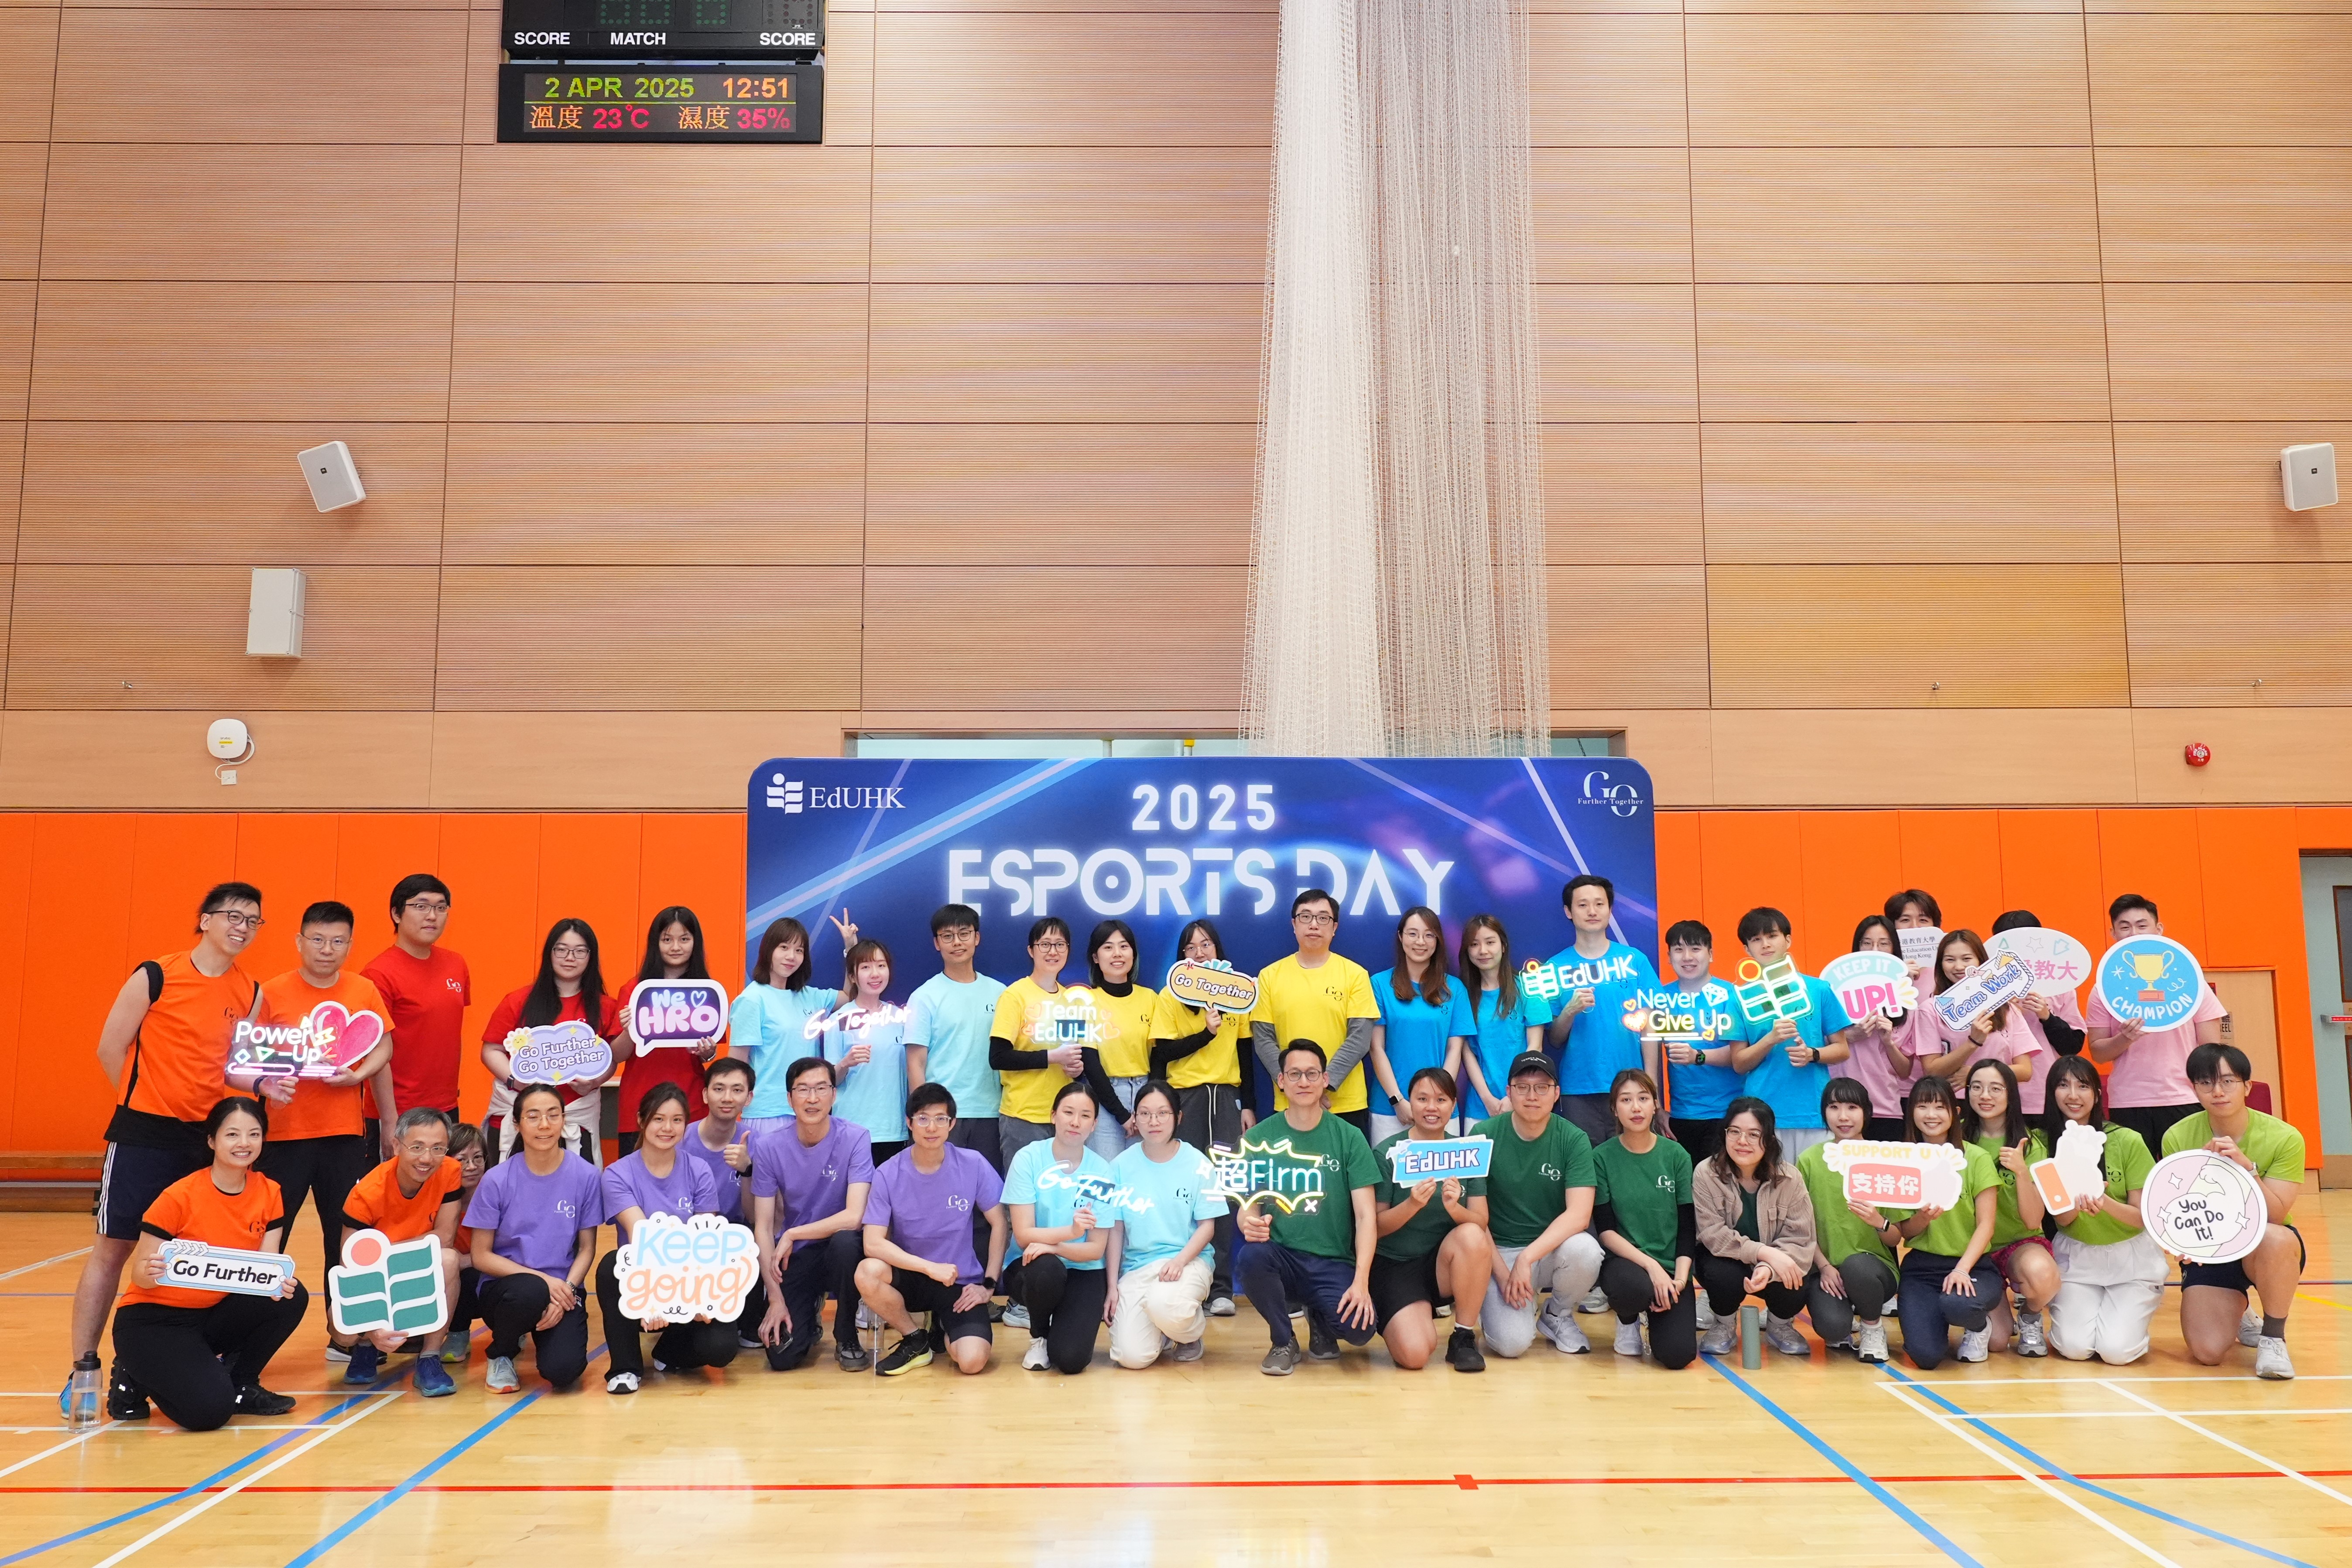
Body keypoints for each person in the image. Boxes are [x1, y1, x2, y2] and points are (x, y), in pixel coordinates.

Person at [66, 882, 265, 1423]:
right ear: (205, 920)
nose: (243, 927)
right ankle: (84, 1370)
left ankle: (149, 1367)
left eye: (253, 920)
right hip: (143, 1135)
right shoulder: (156, 975)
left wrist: (265, 1085)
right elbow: (111, 1047)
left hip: (205, 1143)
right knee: (114, 1249)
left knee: (194, 1258)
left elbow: (236, 1070)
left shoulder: (250, 993)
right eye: (233, 916)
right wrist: (147, 1103)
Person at [110, 1096, 305, 1430]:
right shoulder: (178, 1197)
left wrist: (278, 1283)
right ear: (212, 1141)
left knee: (290, 1296)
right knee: (208, 1414)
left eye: (254, 1134)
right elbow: (139, 1275)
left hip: (211, 1316)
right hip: (154, 1320)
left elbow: (267, 1266)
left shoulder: (270, 1192)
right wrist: (152, 1272)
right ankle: (135, 1372)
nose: (244, 1144)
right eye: (232, 1135)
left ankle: (241, 1383)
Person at [238, 901, 395, 1309]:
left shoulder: (363, 990)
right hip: (282, 1136)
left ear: (350, 945)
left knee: (344, 1237)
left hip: (344, 1136)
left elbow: (384, 1045)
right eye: (318, 940)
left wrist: (359, 1075)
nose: (328, 949)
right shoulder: (271, 991)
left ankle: (344, 1331)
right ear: (299, 941)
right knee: (269, 1232)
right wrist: (272, 1076)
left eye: (338, 941)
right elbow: (246, 1052)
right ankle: (249, 1324)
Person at [1232, 1041, 1382, 1374]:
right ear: (1281, 1081)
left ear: (1325, 1079)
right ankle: (1283, 1340)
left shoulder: (1349, 1137)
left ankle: (1320, 1319)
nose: (1303, 1082)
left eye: (1312, 1074)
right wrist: (1248, 1223)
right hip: (1282, 1256)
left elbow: (1366, 1217)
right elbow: (1247, 1207)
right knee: (1251, 1257)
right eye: (1295, 1074)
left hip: (1332, 1260)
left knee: (1359, 1331)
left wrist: (1361, 1282)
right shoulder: (1257, 1138)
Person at [2160, 1043, 2304, 1380]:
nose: (2217, 1091)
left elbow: (2276, 1215)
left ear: (2247, 1086)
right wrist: (2180, 1242)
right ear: (2194, 1089)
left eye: (2227, 1081)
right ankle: (2240, 1309)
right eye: (2206, 1083)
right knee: (2207, 1352)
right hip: (2212, 1248)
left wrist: (2247, 1169)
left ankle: (2273, 1337)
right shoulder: (2176, 1137)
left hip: (2262, 1244)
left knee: (2276, 1238)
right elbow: (2176, 1208)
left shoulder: (2285, 1138)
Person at [595, 1083, 739, 1393]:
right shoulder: (617, 1174)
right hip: (641, 1276)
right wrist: (653, 1296)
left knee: (721, 1350)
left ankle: (670, 1352)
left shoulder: (698, 1169)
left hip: (689, 1275)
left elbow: (706, 1242)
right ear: (641, 1120)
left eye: (677, 1120)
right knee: (610, 1266)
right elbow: (641, 1236)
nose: (668, 1128)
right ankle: (625, 1368)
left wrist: (699, 1297)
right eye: (659, 1119)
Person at [855, 1084, 1007, 1376]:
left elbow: (999, 1222)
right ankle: (915, 1339)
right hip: (911, 1277)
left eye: (940, 1119)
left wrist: (989, 1284)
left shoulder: (973, 1164)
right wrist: (929, 1268)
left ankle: (942, 1323)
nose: (932, 1127)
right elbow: (872, 1243)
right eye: (923, 1119)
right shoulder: (887, 1172)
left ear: (952, 1124)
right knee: (867, 1271)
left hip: (958, 1281)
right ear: (909, 1123)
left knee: (972, 1362)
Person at [465, 1083, 602, 1393]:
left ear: (564, 1120)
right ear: (517, 1124)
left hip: (564, 1289)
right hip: (509, 1290)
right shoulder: (496, 1180)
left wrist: (566, 1290)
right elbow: (481, 1256)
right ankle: (501, 1352)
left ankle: (543, 1329)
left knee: (563, 1372)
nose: (544, 1125)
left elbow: (587, 1248)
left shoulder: (586, 1176)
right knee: (529, 1291)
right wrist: (545, 1282)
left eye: (553, 1115)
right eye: (533, 1116)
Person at [1471, 1051, 1605, 1357]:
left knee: (1586, 1250)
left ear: (1556, 1094)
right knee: (1511, 1345)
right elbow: (1476, 1220)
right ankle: (1500, 1305)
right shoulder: (1483, 1135)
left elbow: (1580, 1215)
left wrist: (1527, 1258)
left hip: (1548, 1250)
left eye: (1542, 1087)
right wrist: (1504, 1275)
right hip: (1500, 1254)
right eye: (1523, 1087)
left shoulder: (1573, 1138)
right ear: (1509, 1092)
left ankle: (1557, 1313)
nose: (1532, 1096)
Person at [1149, 918, 1250, 1318]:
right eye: (1190, 948)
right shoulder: (1169, 997)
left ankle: (1221, 1288)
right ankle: (1183, 1281)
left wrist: (1248, 1105)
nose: (1199, 953)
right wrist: (1206, 1033)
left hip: (1225, 1099)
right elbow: (1160, 1055)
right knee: (1183, 1191)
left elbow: (1244, 1054)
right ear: (1182, 957)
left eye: (1206, 945)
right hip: (1184, 1100)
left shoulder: (1236, 995)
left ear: (1217, 950)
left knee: (1223, 1193)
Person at [750, 1057, 874, 1372]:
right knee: (782, 1357)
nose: (812, 1098)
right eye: (803, 1090)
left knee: (846, 1243)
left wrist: (793, 1233)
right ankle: (809, 1314)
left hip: (840, 1249)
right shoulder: (768, 1147)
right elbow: (763, 1227)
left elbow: (855, 1216)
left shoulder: (856, 1137)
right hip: (799, 1255)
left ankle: (846, 1335)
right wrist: (775, 1299)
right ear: (789, 1098)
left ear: (834, 1094)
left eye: (821, 1088)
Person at [2037, 1056, 2163, 1366]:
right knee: (2074, 1348)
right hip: (2076, 1258)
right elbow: (2063, 1219)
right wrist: (2074, 1199)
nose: (2073, 1095)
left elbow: (2144, 1217)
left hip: (2132, 1260)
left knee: (2116, 1351)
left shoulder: (2127, 1140)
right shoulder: (2042, 1144)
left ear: (2097, 1094)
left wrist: (2104, 1202)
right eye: (2063, 1085)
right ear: (2051, 1093)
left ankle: (2128, 1323)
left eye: (2083, 1086)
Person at [333, 1107, 465, 1396]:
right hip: (373, 1278)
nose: (427, 1158)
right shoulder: (367, 1193)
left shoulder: (450, 1172)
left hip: (413, 1266)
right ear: (396, 1146)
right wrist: (372, 1329)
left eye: (438, 1148)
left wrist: (385, 1252)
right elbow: (351, 1263)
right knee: (341, 1330)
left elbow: (444, 1237)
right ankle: (366, 1346)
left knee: (449, 1260)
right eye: (417, 1147)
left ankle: (429, 1357)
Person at [1370, 1067, 1492, 1372]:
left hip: (1443, 1265)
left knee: (1472, 1235)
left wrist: (1454, 1208)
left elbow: (1480, 1221)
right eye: (1422, 1099)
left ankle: (1463, 1336)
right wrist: (1411, 1204)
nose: (1431, 1108)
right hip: (1396, 1264)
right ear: (1410, 1103)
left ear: (1453, 1105)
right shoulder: (1388, 1153)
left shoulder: (1466, 1153)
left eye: (1441, 1100)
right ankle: (1403, 1313)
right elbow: (1375, 1227)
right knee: (1414, 1356)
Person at [2089, 894, 2228, 1150]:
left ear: (2159, 929)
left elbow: (2211, 1048)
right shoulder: (2104, 989)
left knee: (2187, 1170)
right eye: (2124, 927)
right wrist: (2124, 1038)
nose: (2134, 933)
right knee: (2136, 1174)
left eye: (2142, 926)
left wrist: (2208, 1092)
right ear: (2113, 933)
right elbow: (2097, 1053)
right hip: (2129, 1100)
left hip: (2184, 1097)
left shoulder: (2191, 982)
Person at [479, 919, 623, 1164]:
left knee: (577, 1185)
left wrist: (594, 1082)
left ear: (591, 957)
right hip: (520, 1112)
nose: (570, 958)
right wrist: (516, 1081)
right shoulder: (518, 1000)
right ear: (550, 953)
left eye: (580, 951)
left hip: (577, 1116)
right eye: (562, 950)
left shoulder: (606, 1007)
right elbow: (491, 1050)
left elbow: (610, 1058)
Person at [1106, 1081, 1224, 1369]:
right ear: (1135, 1118)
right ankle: (1163, 1330)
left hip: (1187, 1262)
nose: (1153, 1121)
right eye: (1145, 1114)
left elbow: (1207, 1227)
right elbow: (1115, 1230)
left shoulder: (1199, 1164)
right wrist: (1111, 1286)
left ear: (1178, 1117)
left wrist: (1179, 1262)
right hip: (1138, 1267)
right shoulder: (1119, 1166)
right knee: (1131, 1358)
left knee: (1165, 1305)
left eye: (1162, 1113)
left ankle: (1189, 1334)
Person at [1541, 874, 1662, 1149]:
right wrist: (1570, 1011)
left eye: (1599, 904)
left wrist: (1651, 1084)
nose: (1592, 911)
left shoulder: (1635, 960)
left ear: (1610, 909)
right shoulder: (1554, 968)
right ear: (1569, 912)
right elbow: (1555, 1040)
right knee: (1585, 1166)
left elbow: (1650, 1026)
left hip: (1631, 1088)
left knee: (1632, 1163)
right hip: (1579, 1090)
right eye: (1583, 905)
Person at [1888, 1076, 2000, 1369]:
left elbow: (1986, 1225)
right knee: (1925, 1357)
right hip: (1922, 1269)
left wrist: (1962, 1269)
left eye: (1940, 1107)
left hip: (1973, 1266)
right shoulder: (1903, 1162)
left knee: (1958, 1304)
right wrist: (1923, 1218)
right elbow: (1905, 1232)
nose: (1931, 1115)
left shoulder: (1977, 1158)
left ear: (1955, 1112)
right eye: (1922, 1106)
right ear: (1911, 1112)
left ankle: (1977, 1326)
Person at [1003, 1081, 1114, 1373]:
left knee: (1071, 1360)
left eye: (1085, 1116)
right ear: (1053, 1115)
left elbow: (1096, 1249)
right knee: (1047, 1268)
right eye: (1068, 1112)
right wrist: (1071, 1233)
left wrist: (1056, 1246)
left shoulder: (1101, 1171)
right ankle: (1039, 1336)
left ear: (1094, 1125)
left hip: (1083, 1268)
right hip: (1032, 1265)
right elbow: (1024, 1235)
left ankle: (1061, 1326)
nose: (1075, 1122)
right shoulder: (1028, 1159)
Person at [1250, 890, 1380, 1137]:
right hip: (1290, 1104)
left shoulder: (1355, 975)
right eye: (1306, 917)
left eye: (1323, 918)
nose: (1314, 925)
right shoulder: (1269, 976)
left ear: (1334, 928)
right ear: (1294, 925)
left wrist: (1322, 1086)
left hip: (1345, 1104)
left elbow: (1360, 1039)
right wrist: (1296, 1086)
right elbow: (1264, 1040)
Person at [1692, 1096, 1813, 1361]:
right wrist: (1764, 1253)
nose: (1742, 1141)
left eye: (1753, 1134)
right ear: (1725, 1134)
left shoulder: (1790, 1178)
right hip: (1728, 1258)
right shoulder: (1706, 1173)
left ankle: (1780, 1325)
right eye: (1734, 1132)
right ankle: (1724, 1323)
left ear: (1769, 1139)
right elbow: (1712, 1234)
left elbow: (1801, 1238)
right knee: (1721, 1275)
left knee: (1795, 1273)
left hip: (1774, 1259)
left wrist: (1769, 1266)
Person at [1726, 908, 1852, 1158]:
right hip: (1762, 1113)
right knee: (1770, 1182)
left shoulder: (1819, 989)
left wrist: (1812, 1054)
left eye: (1772, 936)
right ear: (1747, 950)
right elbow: (1739, 1063)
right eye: (1756, 939)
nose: (1765, 944)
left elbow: (1842, 1049)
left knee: (1813, 1181)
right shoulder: (1739, 997)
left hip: (1814, 1111)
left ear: (1788, 940)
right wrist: (1770, 1039)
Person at [1592, 1070, 1698, 1367]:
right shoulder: (1601, 1157)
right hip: (1627, 1264)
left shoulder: (1676, 1155)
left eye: (1643, 1098)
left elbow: (1687, 1227)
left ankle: (1656, 1319)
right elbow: (1606, 1231)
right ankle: (1628, 1320)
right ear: (1615, 1109)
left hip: (1672, 1269)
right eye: (1626, 1100)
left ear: (1655, 1105)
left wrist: (1679, 1281)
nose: (1636, 1108)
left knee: (1678, 1356)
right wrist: (1652, 1267)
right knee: (1633, 1289)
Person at [1799, 1078, 1901, 1364]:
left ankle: (1872, 1327)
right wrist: (1824, 1266)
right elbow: (1800, 1227)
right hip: (1826, 1270)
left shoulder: (1885, 1158)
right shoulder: (1809, 1160)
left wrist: (1878, 1221)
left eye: (1852, 1107)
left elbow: (1896, 1236)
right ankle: (1843, 1320)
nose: (1843, 1116)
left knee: (1857, 1266)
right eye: (1834, 1107)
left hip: (1874, 1270)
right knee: (1833, 1328)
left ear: (1866, 1112)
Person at [362, 873, 471, 1143]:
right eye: (421, 906)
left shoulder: (456, 964)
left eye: (441, 907)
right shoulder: (378, 974)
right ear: (396, 914)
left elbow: (446, 1033)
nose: (432, 916)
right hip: (399, 1111)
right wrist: (390, 1121)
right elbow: (375, 1053)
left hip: (447, 1106)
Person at [904, 904, 1009, 1176]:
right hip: (943, 1116)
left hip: (991, 1112)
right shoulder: (924, 997)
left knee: (987, 1194)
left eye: (964, 934)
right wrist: (925, 1115)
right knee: (939, 1190)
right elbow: (916, 1062)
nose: (957, 943)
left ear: (977, 938)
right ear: (937, 943)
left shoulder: (1001, 994)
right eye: (948, 936)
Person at [732, 913, 856, 1135]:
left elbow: (849, 997)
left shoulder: (809, 996)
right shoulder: (752, 1000)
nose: (791, 957)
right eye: (784, 948)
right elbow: (736, 1067)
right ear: (768, 950)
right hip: (768, 1114)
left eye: (799, 950)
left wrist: (850, 949)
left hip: (810, 1110)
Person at [1966, 1059, 2058, 1357]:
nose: (1985, 1096)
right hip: (1973, 1250)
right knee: (1996, 1343)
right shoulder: (1956, 1140)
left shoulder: (2033, 1145)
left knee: (2042, 1274)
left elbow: (2033, 1220)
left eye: (1996, 1089)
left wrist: (2021, 1172)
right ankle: (1995, 1308)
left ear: (2011, 1095)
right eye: (1976, 1087)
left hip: (2017, 1244)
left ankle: (2030, 1317)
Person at [616, 907, 722, 1157]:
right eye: (667, 939)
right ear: (656, 943)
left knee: (692, 1175)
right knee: (636, 1177)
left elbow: (709, 1054)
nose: (676, 947)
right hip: (640, 1104)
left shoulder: (707, 991)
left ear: (695, 943)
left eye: (684, 939)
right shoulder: (635, 990)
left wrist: (708, 1053)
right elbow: (617, 1055)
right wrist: (630, 1030)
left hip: (691, 1105)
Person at [989, 916, 1089, 1175]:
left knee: (1060, 1194)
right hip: (1023, 1117)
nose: (1053, 951)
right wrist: (1052, 1057)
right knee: (1023, 1192)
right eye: (1045, 944)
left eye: (1060, 945)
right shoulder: (1015, 995)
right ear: (1031, 951)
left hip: (1064, 1119)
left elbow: (1073, 1057)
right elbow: (998, 1058)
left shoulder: (1072, 1000)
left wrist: (1076, 1069)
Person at [1650, 920, 1743, 1162]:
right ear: (1669, 957)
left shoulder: (1731, 996)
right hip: (1681, 1115)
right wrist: (1656, 1108)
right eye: (1679, 950)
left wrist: (1698, 1057)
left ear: (1711, 954)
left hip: (1729, 1113)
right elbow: (1650, 1056)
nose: (1687, 957)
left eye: (1696, 949)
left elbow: (1742, 1055)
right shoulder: (1660, 999)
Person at [681, 1056, 758, 1345]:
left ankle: (748, 1321)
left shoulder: (757, 1143)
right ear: (705, 1094)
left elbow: (756, 1217)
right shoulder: (680, 1139)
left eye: (737, 1090)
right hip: (687, 1240)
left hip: (737, 1240)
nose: (727, 1098)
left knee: (752, 1236)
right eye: (719, 1089)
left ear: (749, 1098)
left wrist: (748, 1170)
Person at [1918, 930, 2041, 1106]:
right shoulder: (1930, 1009)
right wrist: (1973, 1042)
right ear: (1940, 965)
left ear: (1981, 961)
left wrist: (1976, 1074)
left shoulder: (2007, 1008)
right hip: (1953, 1104)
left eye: (1967, 959)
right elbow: (1931, 1070)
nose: (1959, 967)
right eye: (1950, 960)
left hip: (1998, 1104)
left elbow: (2025, 1071)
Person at [818, 939, 914, 1161]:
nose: (875, 974)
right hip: (852, 1129)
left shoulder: (901, 1018)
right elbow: (830, 1081)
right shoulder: (839, 1020)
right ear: (853, 976)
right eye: (866, 967)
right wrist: (845, 1063)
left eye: (881, 966)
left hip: (894, 1130)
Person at [1451, 914, 1551, 1125]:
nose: (1483, 951)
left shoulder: (1528, 988)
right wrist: (1487, 1099)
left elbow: (1535, 1046)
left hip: (1524, 1103)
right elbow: (1466, 1052)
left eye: (1490, 942)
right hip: (1480, 1107)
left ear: (1503, 946)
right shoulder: (1463, 994)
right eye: (1474, 945)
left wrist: (1514, 1095)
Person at [1369, 907, 1457, 1143]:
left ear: (1438, 940)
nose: (1421, 942)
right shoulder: (1379, 984)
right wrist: (1397, 1100)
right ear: (1401, 937)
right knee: (1388, 1168)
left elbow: (1455, 1050)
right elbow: (1376, 1048)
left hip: (1441, 1112)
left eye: (1429, 935)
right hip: (1390, 1109)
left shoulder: (1454, 988)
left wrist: (1438, 1101)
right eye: (1413, 934)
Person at [1988, 909, 2086, 1116]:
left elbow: (2073, 1046)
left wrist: (2047, 1016)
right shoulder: (1984, 986)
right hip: (1993, 1095)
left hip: (2044, 1094)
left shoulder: (2060, 986)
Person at [1075, 919, 1157, 1161]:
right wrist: (1122, 1115)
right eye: (1108, 947)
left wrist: (1148, 1107)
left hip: (1146, 1097)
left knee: (1142, 1176)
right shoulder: (1085, 1001)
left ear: (1133, 953)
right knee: (1106, 1176)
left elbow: (1160, 1056)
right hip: (1105, 1102)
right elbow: (1090, 1064)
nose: (1117, 954)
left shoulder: (1151, 999)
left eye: (1124, 946)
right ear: (1096, 957)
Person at [1841, 916, 1919, 1141]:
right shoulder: (1836, 993)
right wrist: (1850, 1036)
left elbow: (1905, 1071)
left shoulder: (1907, 1002)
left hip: (1886, 1110)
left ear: (1895, 949)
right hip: (1842, 1109)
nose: (1875, 950)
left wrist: (1889, 1042)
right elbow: (1820, 1044)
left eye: (1884, 944)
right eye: (1867, 943)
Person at [442, 1120, 487, 1357]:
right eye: (461, 1160)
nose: (471, 1167)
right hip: (456, 1281)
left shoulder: (498, 1195)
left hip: (493, 1275)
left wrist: (468, 1260)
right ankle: (456, 1333)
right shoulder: (438, 1201)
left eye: (478, 1158)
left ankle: (512, 1330)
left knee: (471, 1274)